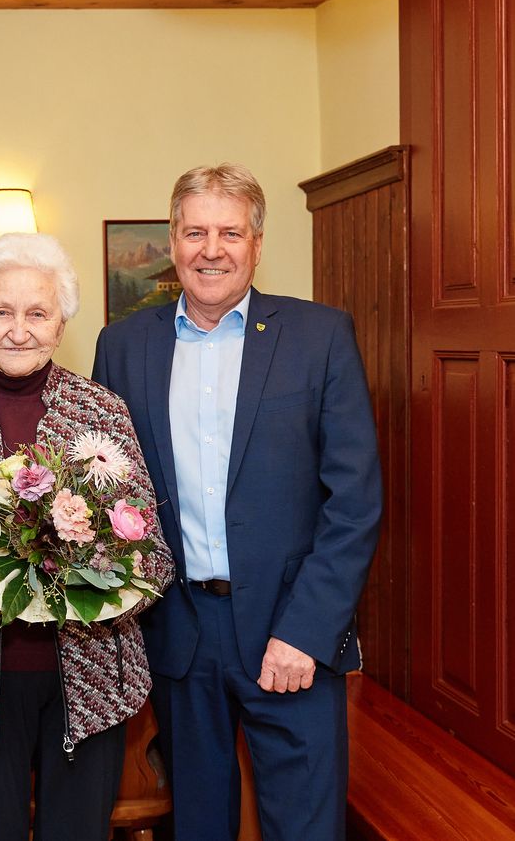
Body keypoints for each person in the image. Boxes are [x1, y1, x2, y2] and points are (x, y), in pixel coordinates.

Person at [92, 164, 382, 840]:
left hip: (292, 632)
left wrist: (305, 631)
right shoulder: (123, 346)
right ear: (172, 241)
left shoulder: (319, 337)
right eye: (195, 232)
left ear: (255, 243)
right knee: (196, 823)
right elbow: (107, 491)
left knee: (306, 826)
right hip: (180, 633)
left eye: (229, 232)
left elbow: (355, 502)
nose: (210, 249)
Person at [0, 232, 174, 841]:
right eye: (2, 311)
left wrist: (95, 555)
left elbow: (150, 551)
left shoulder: (102, 411)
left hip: (92, 680)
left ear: (61, 322)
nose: (19, 330)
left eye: (38, 313)